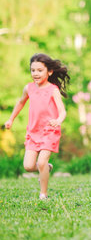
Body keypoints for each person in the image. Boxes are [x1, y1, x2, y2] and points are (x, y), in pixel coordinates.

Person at [4, 53, 70, 200]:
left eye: (40, 70)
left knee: (41, 161)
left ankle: (43, 194)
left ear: (49, 72)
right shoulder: (28, 88)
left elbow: (62, 111)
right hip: (33, 132)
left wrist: (58, 120)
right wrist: (11, 119)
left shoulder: (53, 90)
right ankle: (47, 168)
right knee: (28, 166)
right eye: (33, 70)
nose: (35, 73)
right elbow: (20, 103)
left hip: (49, 131)